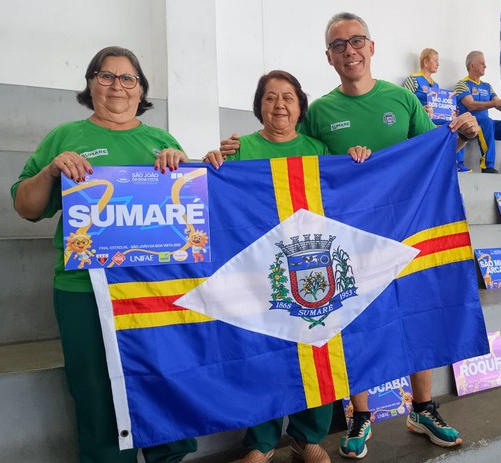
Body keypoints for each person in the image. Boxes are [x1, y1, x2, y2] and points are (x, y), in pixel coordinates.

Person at [221, 11, 480, 460]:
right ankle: (360, 415)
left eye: (356, 41)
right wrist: (234, 151)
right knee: (352, 322)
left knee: (414, 312)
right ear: (329, 57)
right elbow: (290, 152)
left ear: (371, 47)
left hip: (406, 224)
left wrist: (464, 135)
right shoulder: (320, 112)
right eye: (339, 45)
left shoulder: (402, 99)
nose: (350, 50)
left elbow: (434, 151)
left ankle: (422, 408)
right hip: (346, 239)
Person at [11, 46, 197, 462]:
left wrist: (183, 169)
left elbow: (191, 213)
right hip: (85, 289)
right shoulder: (65, 137)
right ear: (91, 84)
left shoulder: (162, 141)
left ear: (141, 89)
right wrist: (51, 170)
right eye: (106, 75)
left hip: (154, 288)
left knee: (163, 381)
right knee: (96, 392)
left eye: (128, 78)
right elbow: (26, 208)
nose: (117, 86)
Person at [204, 70, 370, 463]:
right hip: (258, 272)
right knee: (261, 354)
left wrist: (356, 159)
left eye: (288, 97)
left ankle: (305, 437)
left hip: (313, 271)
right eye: (270, 97)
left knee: (317, 349)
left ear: (300, 107)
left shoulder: (319, 149)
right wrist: (211, 162)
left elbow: (343, 192)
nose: (279, 105)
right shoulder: (239, 149)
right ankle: (260, 444)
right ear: (259, 105)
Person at [403, 49, 470, 173]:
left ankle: (458, 162)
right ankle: (454, 163)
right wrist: (421, 109)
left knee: (457, 124)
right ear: (426, 62)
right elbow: (405, 102)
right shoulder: (413, 79)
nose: (438, 64)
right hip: (422, 119)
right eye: (435, 60)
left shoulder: (436, 85)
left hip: (437, 118)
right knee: (449, 127)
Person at [454, 51, 501, 174]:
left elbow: (499, 106)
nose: (485, 66)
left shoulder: (487, 86)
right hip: (470, 125)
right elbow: (471, 105)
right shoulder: (461, 84)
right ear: (472, 66)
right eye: (482, 63)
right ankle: (487, 165)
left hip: (487, 124)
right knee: (487, 122)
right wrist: (496, 103)